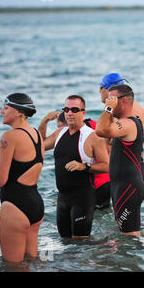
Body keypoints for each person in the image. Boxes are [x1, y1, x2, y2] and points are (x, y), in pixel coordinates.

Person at [39, 95, 109, 238]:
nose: (70, 113)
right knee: (64, 242)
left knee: (80, 244)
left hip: (83, 197)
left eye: (74, 109)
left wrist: (85, 166)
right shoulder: (60, 133)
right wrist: (44, 122)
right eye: (67, 109)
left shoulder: (92, 136)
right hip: (62, 197)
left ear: (83, 112)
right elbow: (39, 146)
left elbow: (107, 166)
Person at [0, 93, 44, 263]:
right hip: (35, 204)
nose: (1, 112)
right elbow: (23, 165)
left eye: (5, 108)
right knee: (32, 262)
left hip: (15, 206)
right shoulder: (36, 134)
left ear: (18, 112)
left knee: (12, 266)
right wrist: (0, 153)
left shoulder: (10, 136)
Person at [96, 84, 144, 236]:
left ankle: (134, 260)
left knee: (130, 239)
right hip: (120, 186)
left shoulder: (129, 124)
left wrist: (108, 109)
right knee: (122, 235)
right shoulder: (121, 124)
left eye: (111, 99)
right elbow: (105, 138)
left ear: (123, 101)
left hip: (129, 188)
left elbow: (100, 130)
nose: (107, 102)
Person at [99, 73, 144, 180]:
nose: (99, 91)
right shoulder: (136, 106)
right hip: (138, 164)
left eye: (101, 87)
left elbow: (104, 136)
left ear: (108, 89)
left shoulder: (119, 112)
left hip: (127, 169)